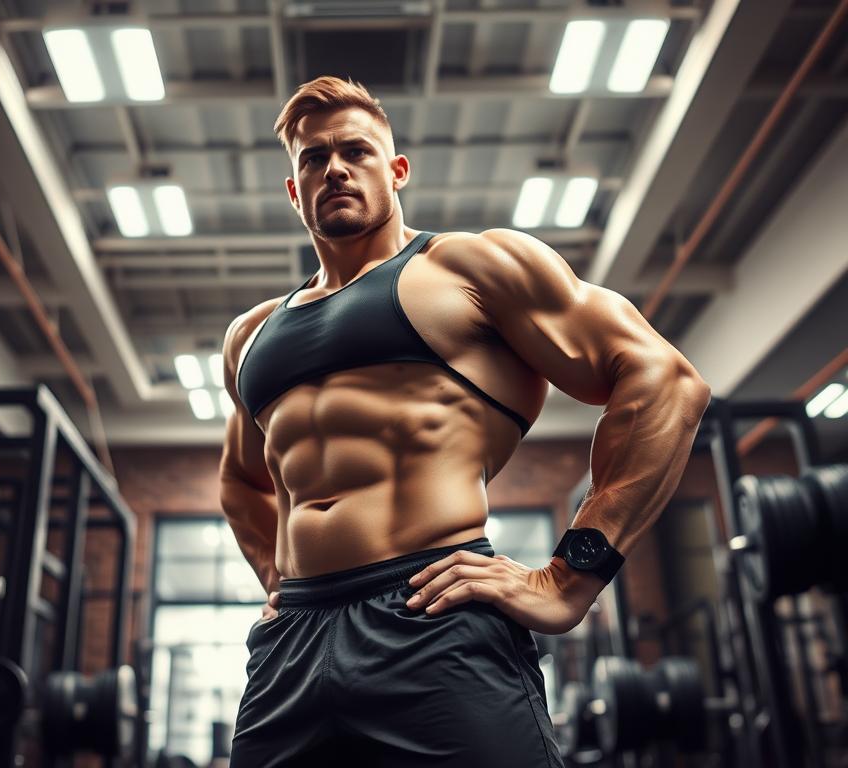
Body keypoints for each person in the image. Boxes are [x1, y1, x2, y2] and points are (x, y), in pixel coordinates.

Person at [219, 75, 710, 767]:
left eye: (355, 151)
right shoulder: (251, 334)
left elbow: (665, 381)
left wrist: (571, 578)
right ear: (295, 192)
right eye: (312, 158)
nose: (334, 168)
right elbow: (242, 481)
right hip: (292, 642)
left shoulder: (471, 267)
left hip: (429, 612)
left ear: (397, 172)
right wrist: (276, 580)